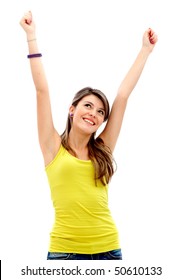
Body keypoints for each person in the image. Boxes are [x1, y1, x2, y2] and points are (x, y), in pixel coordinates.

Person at [20, 11, 158, 260]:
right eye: (88, 106)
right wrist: (31, 37)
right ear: (72, 110)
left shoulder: (103, 149)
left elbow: (123, 96)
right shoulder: (52, 146)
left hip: (108, 250)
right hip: (65, 252)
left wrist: (145, 51)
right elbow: (42, 90)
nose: (93, 113)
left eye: (100, 112)